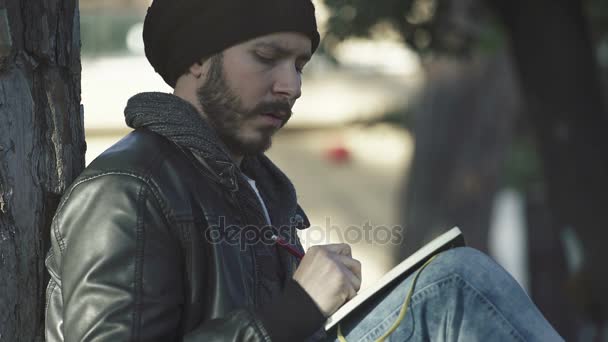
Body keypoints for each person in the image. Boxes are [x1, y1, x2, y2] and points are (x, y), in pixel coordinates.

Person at [44, 0, 563, 341]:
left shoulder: (258, 194)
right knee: (456, 285)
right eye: (268, 57)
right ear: (198, 59)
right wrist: (297, 308)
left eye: (299, 65)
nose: (290, 85)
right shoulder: (128, 188)